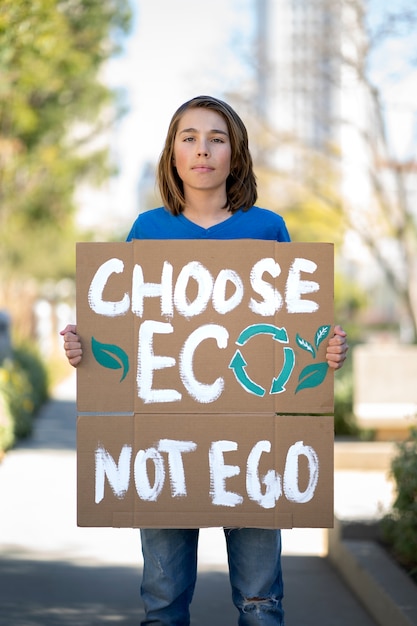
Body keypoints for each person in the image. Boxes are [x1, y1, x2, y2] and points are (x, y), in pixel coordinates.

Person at [61, 95, 348, 626]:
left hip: (255, 448)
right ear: (172, 154)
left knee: (262, 603)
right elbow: (122, 335)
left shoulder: (268, 229)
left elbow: (295, 334)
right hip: (164, 444)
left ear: (235, 155)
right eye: (189, 138)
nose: (203, 150)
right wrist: (84, 348)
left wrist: (328, 349)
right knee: (163, 604)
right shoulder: (147, 232)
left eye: (217, 138)